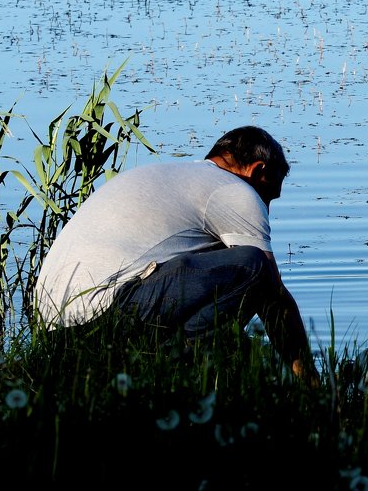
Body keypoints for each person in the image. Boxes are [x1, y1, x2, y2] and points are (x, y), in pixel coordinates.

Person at [34, 125, 315, 381]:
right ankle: (179, 374)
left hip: (56, 335)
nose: (266, 208)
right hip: (106, 315)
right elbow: (274, 297)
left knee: (232, 303)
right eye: (268, 196)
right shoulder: (235, 190)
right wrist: (311, 382)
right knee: (254, 266)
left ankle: (172, 370)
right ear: (257, 170)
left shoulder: (172, 177)